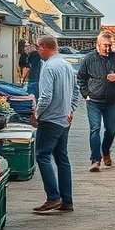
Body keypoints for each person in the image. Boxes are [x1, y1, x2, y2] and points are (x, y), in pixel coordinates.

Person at [31, 35, 81, 213]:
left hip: (51, 118)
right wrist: (71, 109)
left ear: (44, 47)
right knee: (62, 158)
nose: (37, 51)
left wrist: (37, 114)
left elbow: (46, 96)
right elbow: (77, 90)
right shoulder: (66, 64)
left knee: (42, 155)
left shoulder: (48, 67)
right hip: (64, 119)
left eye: (37, 47)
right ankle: (67, 201)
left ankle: (53, 197)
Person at [76, 30, 115, 172]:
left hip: (111, 101)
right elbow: (81, 77)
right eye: (105, 45)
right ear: (98, 45)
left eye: (109, 45)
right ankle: (95, 160)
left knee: (111, 131)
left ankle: (105, 150)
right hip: (93, 101)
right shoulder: (89, 59)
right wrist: (85, 94)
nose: (107, 48)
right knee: (95, 129)